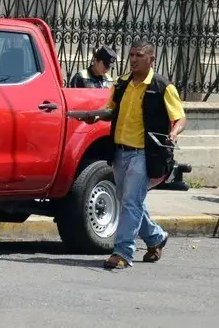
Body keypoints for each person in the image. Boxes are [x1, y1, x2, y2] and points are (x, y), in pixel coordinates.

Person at [80, 40, 186, 269]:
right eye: (132, 55)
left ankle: (123, 252)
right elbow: (111, 112)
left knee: (130, 201)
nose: (134, 59)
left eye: (139, 55)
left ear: (151, 59)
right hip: (119, 151)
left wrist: (174, 133)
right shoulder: (121, 84)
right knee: (127, 200)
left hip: (143, 154)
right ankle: (156, 237)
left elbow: (180, 117)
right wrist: (95, 117)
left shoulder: (162, 86)